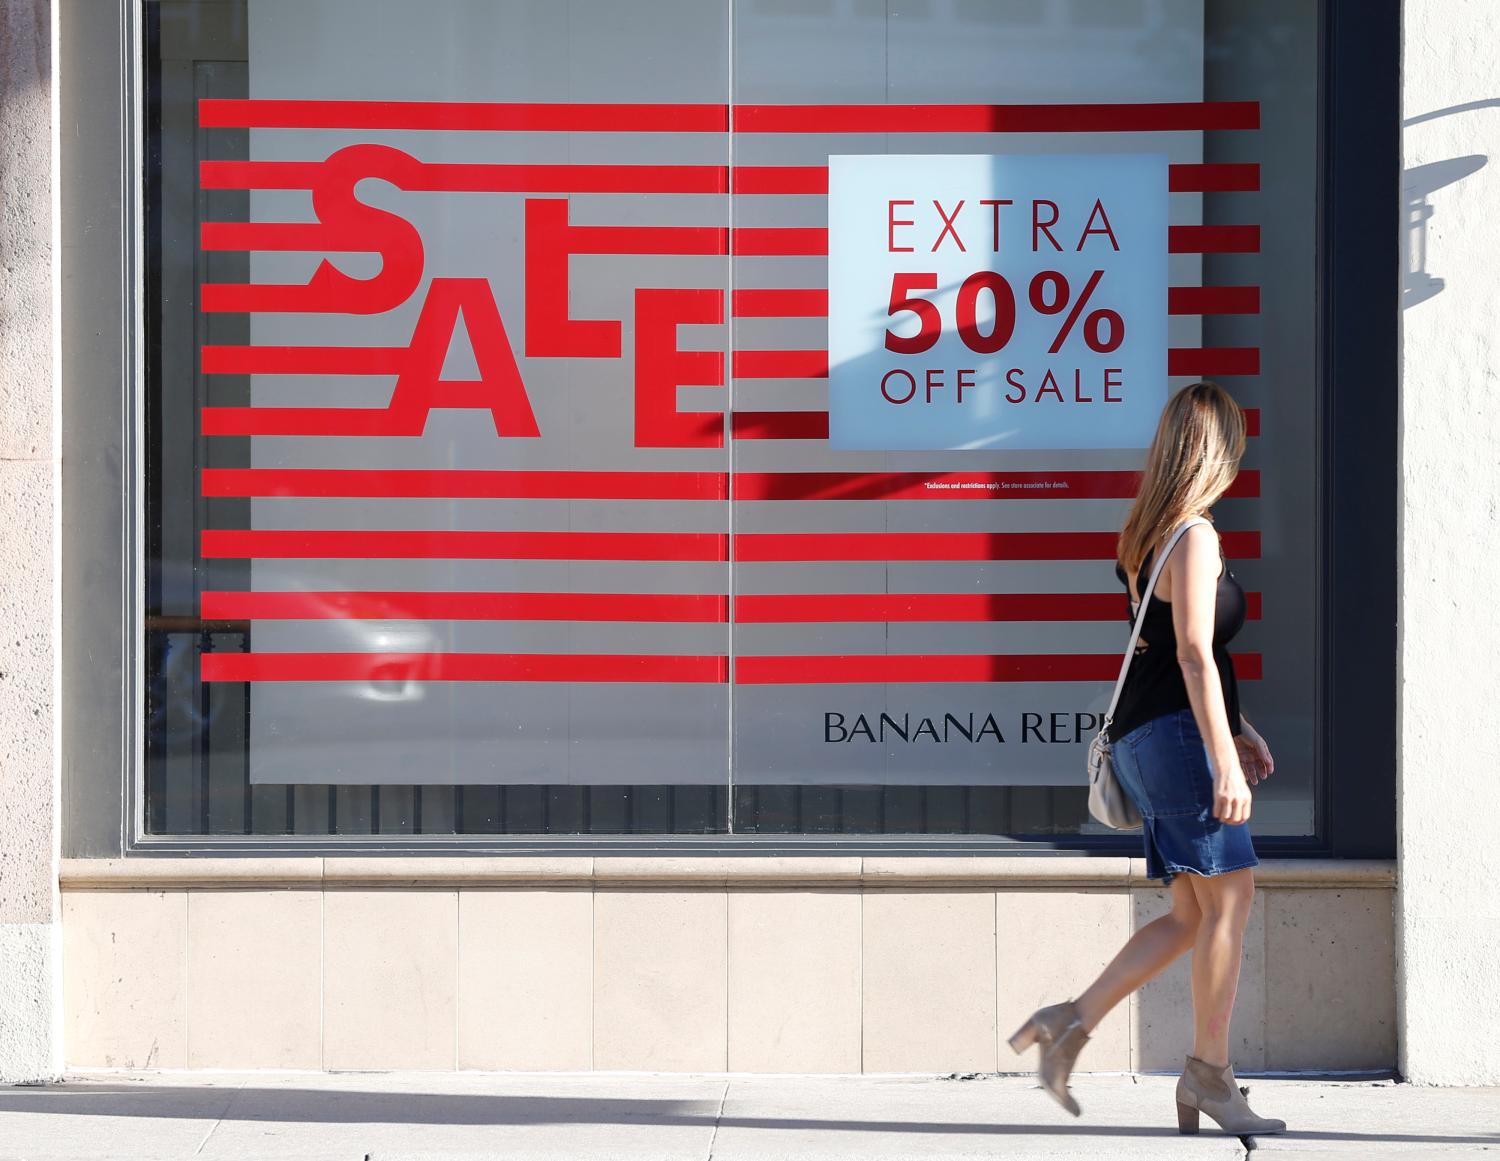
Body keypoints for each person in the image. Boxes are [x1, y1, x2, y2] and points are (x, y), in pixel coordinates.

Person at [1006, 381, 1286, 1136]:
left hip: (1149, 736)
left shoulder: (1148, 532)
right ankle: (1211, 1074)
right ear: (1216, 449)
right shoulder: (1195, 535)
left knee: (1191, 913)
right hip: (1175, 741)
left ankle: (1069, 1021)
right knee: (1232, 900)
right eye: (1233, 445)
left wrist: (1240, 724)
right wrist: (1225, 760)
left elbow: (1169, 652)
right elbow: (1193, 652)